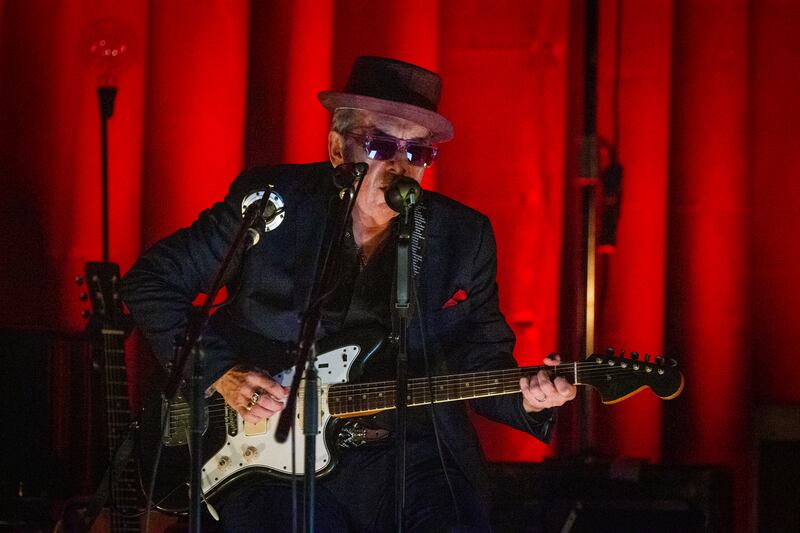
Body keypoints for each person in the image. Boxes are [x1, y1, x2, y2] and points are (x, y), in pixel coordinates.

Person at [121, 56, 576, 532]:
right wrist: (221, 372)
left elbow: (482, 360)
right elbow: (151, 282)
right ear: (338, 148)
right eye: (381, 145)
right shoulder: (274, 201)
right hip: (268, 449)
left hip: (406, 453)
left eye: (418, 153)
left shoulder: (462, 236)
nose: (401, 166)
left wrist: (529, 399)